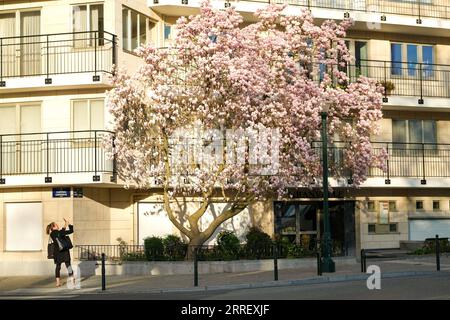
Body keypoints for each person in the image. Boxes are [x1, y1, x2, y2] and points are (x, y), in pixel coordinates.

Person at [46, 218, 74, 287]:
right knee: (60, 266)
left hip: (61, 252)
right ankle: (58, 282)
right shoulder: (53, 233)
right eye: (56, 224)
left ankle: (72, 280)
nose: (57, 225)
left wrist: (68, 224)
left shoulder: (59, 232)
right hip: (60, 252)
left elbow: (71, 231)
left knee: (66, 266)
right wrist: (65, 225)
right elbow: (60, 233)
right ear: (53, 227)